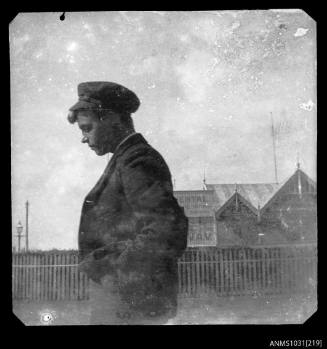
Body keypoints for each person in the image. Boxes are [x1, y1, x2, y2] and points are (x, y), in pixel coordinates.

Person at [67, 81, 188, 325]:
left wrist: (113, 274)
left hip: (130, 300)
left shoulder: (137, 160)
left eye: (87, 128)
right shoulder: (126, 159)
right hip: (128, 298)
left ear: (111, 118)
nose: (84, 138)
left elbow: (165, 229)